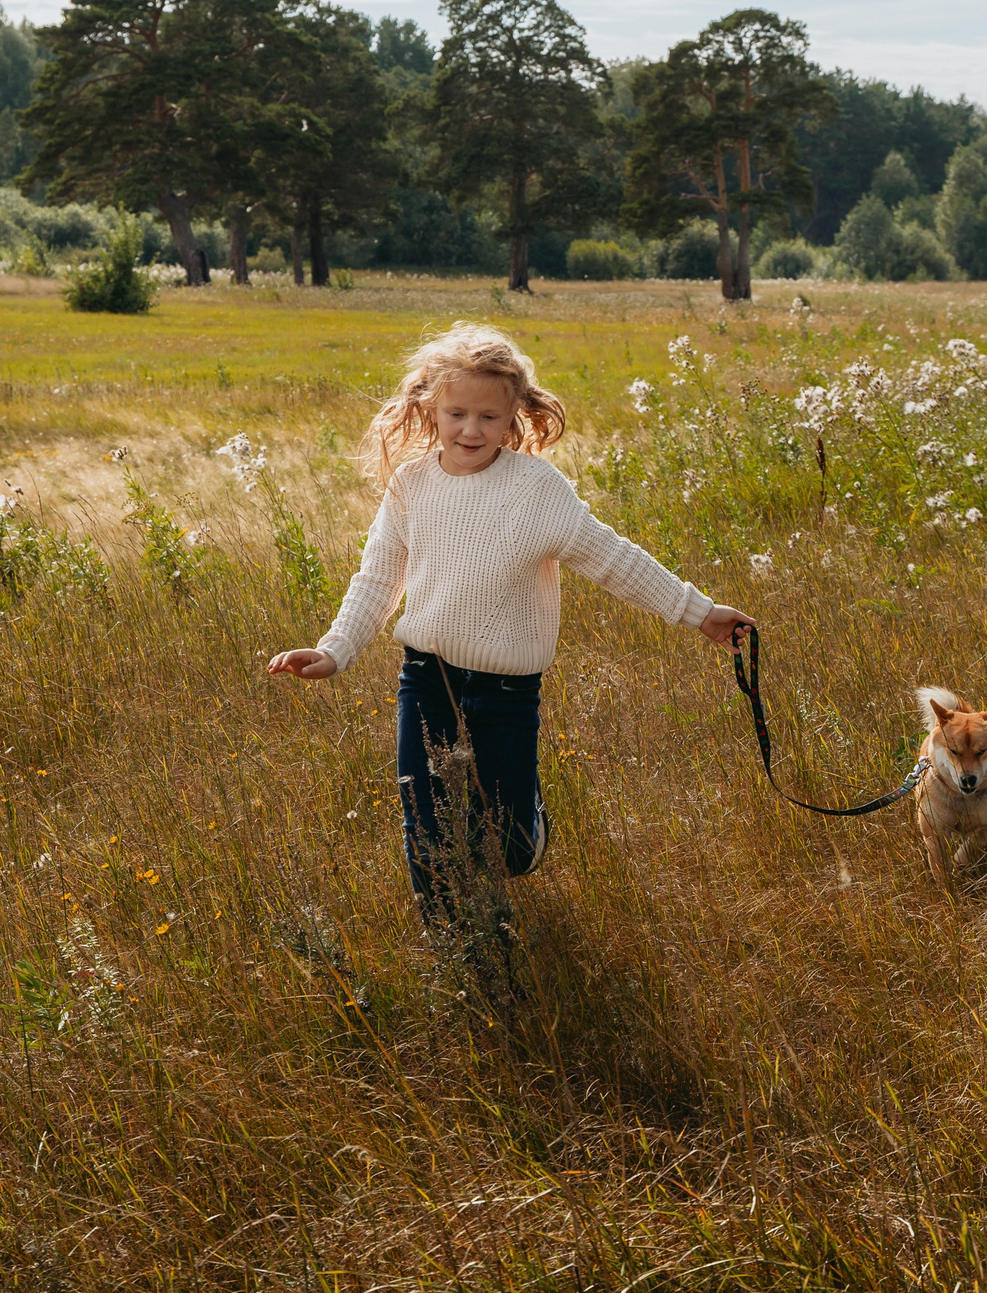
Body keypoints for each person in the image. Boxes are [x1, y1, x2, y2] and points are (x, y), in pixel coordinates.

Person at [268, 323, 754, 928]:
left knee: (510, 847)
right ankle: (456, 941)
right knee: (426, 822)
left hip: (506, 691)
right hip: (426, 679)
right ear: (430, 410)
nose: (471, 430)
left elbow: (613, 559)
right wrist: (334, 650)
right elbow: (377, 579)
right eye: (457, 413)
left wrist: (699, 613)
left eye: (490, 417)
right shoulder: (411, 485)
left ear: (514, 418)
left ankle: (528, 832)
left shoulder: (536, 489)